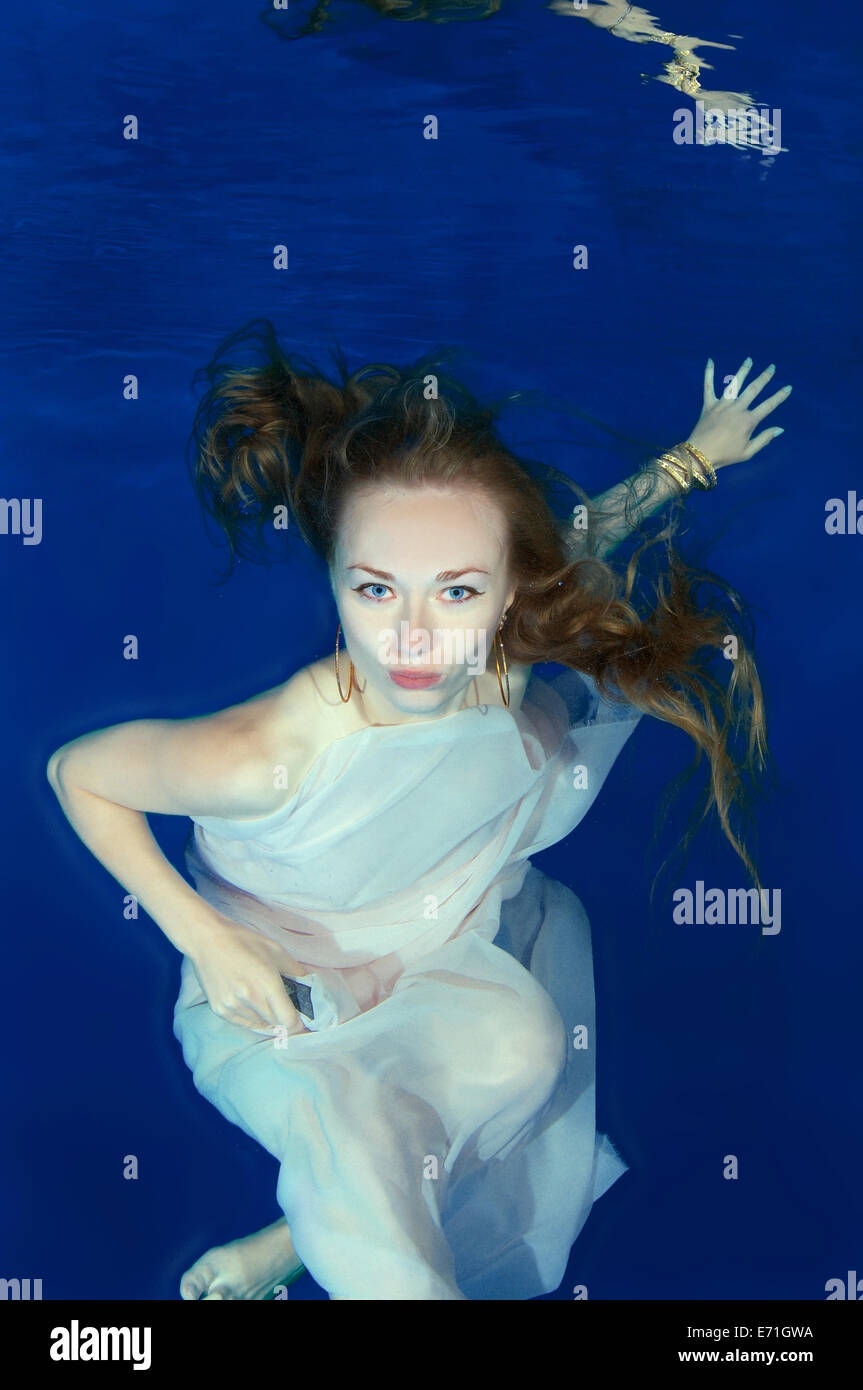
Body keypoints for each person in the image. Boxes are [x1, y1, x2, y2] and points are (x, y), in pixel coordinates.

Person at [46, 326, 790, 1299]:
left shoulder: (508, 638)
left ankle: (291, 1238)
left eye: (455, 591)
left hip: (437, 939)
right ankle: (335, 1218)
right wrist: (209, 942)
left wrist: (695, 456)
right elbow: (78, 771)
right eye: (374, 589)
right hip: (285, 988)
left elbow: (587, 531)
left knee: (524, 1052)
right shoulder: (277, 745)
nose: (411, 637)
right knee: (355, 1129)